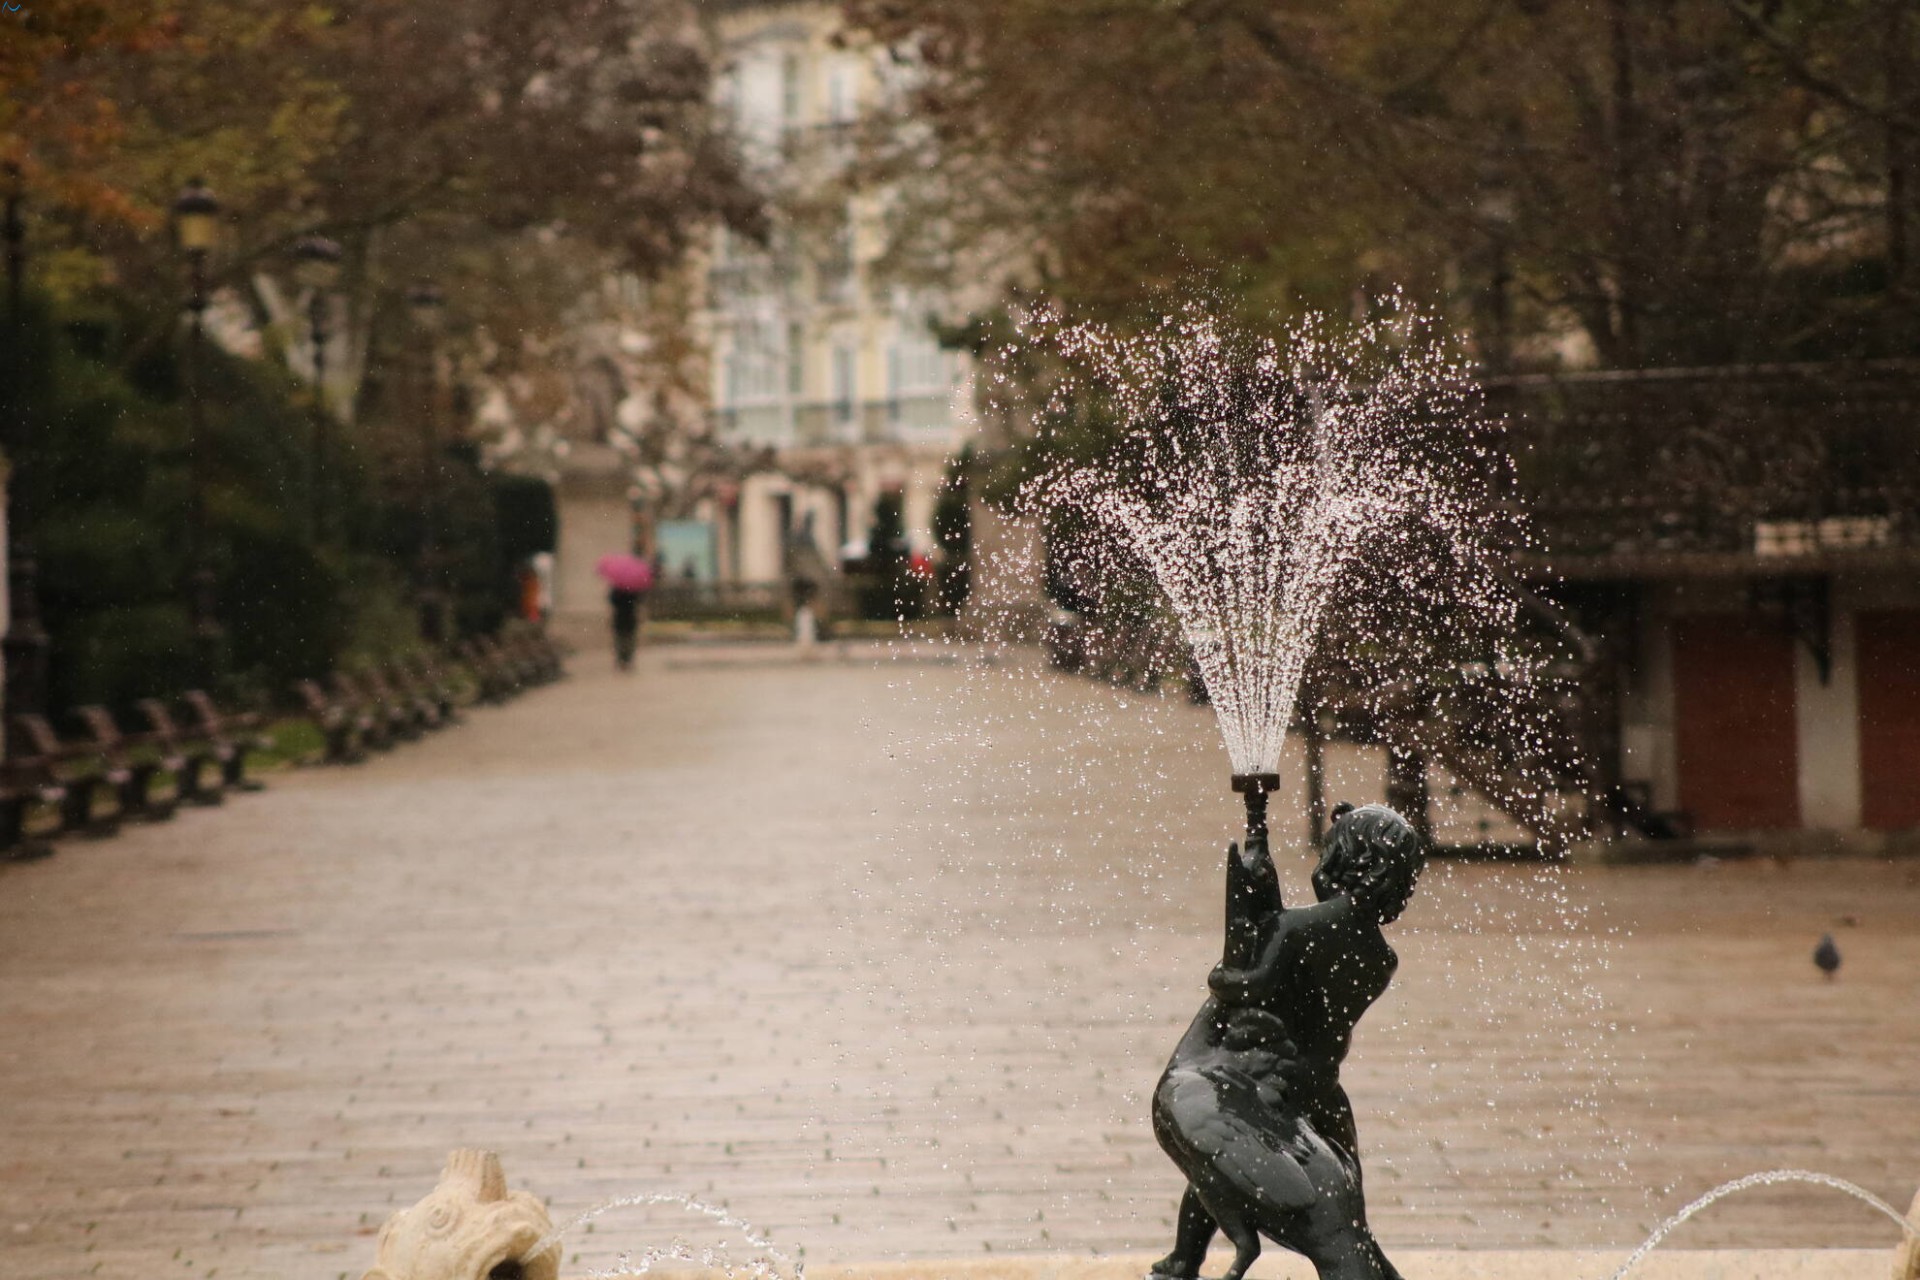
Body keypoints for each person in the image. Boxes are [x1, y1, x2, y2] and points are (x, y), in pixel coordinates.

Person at [1149, 803, 1424, 1280]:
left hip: (1263, 1083)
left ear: (1345, 857)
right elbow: (1310, 989)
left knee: (1223, 1141)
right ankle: (1183, 1259)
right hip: (1317, 1091)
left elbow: (1243, 984)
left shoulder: (1298, 926)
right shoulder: (1383, 959)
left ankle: (1184, 1261)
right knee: (1339, 1219)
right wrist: (1269, 908)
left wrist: (1239, 936)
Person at [608, 585, 642, 671]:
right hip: (629, 618)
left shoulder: (616, 592)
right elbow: (638, 601)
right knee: (628, 639)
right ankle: (627, 658)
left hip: (620, 618)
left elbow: (612, 601)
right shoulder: (632, 591)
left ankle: (622, 658)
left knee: (621, 639)